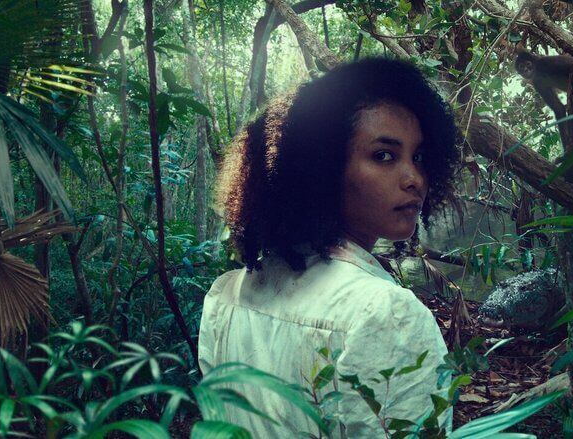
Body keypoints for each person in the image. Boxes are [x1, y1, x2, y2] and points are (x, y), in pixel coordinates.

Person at [198, 58, 462, 437]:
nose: (414, 178)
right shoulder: (386, 314)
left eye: (418, 157)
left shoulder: (225, 296)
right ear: (321, 167)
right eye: (384, 155)